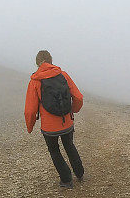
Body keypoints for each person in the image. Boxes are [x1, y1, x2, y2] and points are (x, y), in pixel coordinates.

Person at [24, 50, 85, 189]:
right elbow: (78, 97)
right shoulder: (63, 75)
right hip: (67, 121)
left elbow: (30, 110)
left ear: (37, 62)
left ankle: (66, 180)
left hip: (49, 127)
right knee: (69, 145)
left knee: (54, 151)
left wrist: (30, 126)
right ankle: (80, 174)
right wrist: (73, 110)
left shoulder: (35, 81)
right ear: (51, 60)